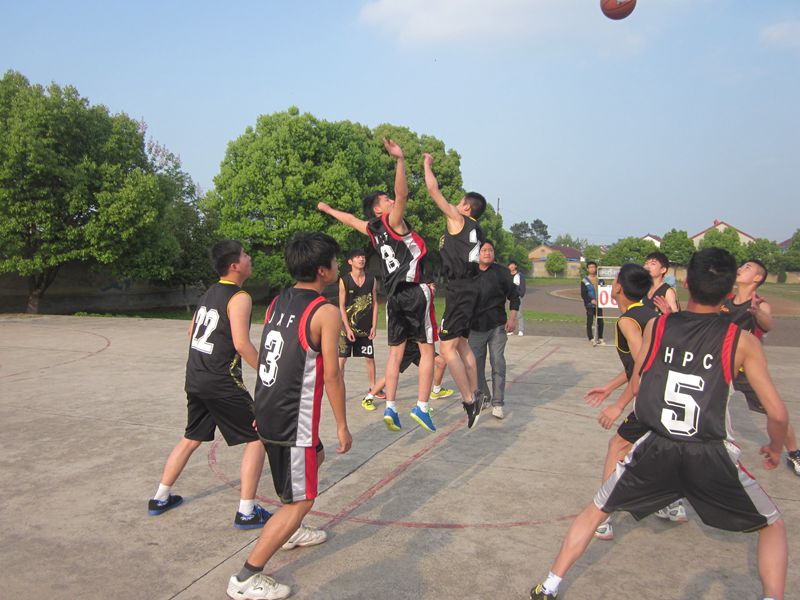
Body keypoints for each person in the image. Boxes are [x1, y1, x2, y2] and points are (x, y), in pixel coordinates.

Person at [529, 248, 788, 600]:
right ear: (729, 292)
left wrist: (618, 400)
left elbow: (639, 378)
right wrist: (775, 447)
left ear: (685, 281)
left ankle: (549, 585)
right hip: (710, 452)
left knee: (595, 512)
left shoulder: (659, 325)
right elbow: (778, 414)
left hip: (657, 445)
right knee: (771, 525)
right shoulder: (741, 341)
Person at [227, 233, 352, 600]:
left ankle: (290, 530)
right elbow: (332, 375)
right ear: (322, 271)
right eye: (335, 261)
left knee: (316, 456)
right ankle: (246, 578)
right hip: (291, 419)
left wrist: (261, 408)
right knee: (302, 501)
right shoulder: (325, 312)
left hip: (270, 408)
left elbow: (271, 360)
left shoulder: (278, 301)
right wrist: (343, 426)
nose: (339, 266)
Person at [318, 138, 438, 433]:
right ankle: (422, 406)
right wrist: (400, 159)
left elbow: (349, 220)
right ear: (378, 209)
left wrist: (329, 210)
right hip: (414, 290)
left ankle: (391, 407)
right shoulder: (392, 221)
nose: (391, 201)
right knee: (427, 352)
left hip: (393, 297)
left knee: (395, 355)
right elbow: (402, 192)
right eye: (385, 200)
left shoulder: (372, 229)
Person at [148, 240, 271, 530]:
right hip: (220, 381)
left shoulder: (208, 293)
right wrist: (268, 372)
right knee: (258, 437)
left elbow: (192, 331)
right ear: (234, 265)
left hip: (196, 377)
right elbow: (241, 344)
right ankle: (246, 511)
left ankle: (160, 497)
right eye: (245, 255)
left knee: (191, 437)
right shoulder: (239, 297)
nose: (249, 258)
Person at [584, 263, 686, 540]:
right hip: (670, 396)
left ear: (618, 287)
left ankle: (602, 517)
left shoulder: (628, 321)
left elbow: (644, 364)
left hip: (654, 396)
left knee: (617, 446)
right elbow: (638, 365)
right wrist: (609, 387)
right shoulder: (649, 314)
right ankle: (672, 503)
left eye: (615, 280)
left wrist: (619, 404)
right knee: (654, 449)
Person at [423, 152, 486, 429]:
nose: (455, 205)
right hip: (470, 289)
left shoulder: (458, 219)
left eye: (460, 202)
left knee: (447, 348)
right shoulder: (476, 229)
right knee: (461, 345)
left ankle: (469, 400)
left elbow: (432, 190)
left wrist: (427, 165)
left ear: (466, 207)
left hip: (460, 289)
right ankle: (477, 392)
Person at [722, 259, 800, 476]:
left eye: (747, 268)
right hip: (723, 367)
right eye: (741, 266)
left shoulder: (759, 305)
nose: (740, 269)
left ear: (757, 278)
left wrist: (757, 313)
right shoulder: (725, 301)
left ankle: (794, 453)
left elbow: (768, 324)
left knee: (774, 412)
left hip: (748, 371)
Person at [469, 240, 520, 420]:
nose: (487, 253)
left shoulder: (502, 273)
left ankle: (498, 403)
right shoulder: (470, 272)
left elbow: (514, 297)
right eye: (484, 250)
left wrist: (512, 318)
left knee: (497, 361)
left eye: (490, 250)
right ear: (478, 253)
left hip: (497, 326)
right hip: (475, 327)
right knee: (475, 366)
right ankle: (484, 396)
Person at [338, 247, 379, 399]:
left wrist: (374, 325)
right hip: (346, 328)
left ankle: (373, 388)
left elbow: (375, 303)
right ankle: (338, 389)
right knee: (341, 360)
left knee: (369, 358)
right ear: (350, 261)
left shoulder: (371, 279)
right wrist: (347, 328)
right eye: (357, 257)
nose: (361, 259)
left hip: (365, 327)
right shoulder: (344, 280)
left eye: (363, 256)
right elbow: (341, 306)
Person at [580, 261, 604, 345]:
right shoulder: (584, 281)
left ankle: (600, 338)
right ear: (587, 269)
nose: (592, 269)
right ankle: (591, 338)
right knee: (590, 321)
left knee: (600, 321)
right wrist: (591, 300)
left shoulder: (600, 280)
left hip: (599, 304)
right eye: (590, 267)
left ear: (596, 268)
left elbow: (604, 290)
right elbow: (583, 294)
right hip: (590, 304)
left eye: (593, 267)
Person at [508, 260, 526, 336]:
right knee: (511, 314)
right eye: (510, 265)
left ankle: (521, 330)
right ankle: (510, 330)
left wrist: (520, 294)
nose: (511, 266)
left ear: (516, 266)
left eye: (513, 265)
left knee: (519, 313)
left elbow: (523, 286)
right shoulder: (507, 275)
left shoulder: (519, 275)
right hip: (509, 297)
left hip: (517, 296)